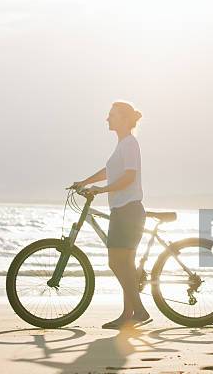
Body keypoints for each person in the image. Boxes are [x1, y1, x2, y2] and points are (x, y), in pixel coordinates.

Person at [71, 101, 151, 330]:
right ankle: (128, 314)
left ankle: (140, 310)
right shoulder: (122, 145)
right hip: (125, 210)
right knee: (126, 264)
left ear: (125, 119)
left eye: (112, 115)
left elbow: (129, 176)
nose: (107, 119)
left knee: (116, 262)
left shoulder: (129, 144)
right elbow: (111, 171)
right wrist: (85, 182)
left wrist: (102, 190)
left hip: (127, 211)